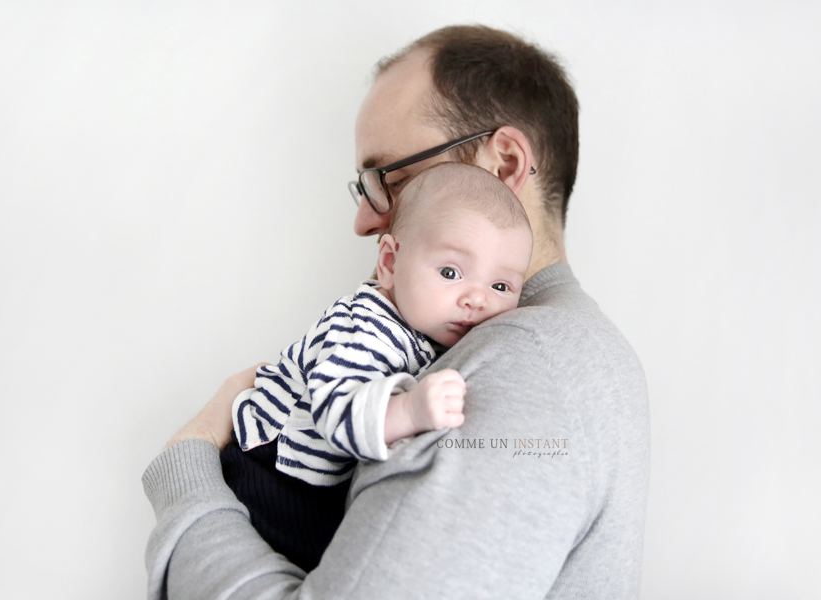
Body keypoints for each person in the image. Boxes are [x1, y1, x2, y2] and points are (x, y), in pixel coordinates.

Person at [143, 25, 650, 599]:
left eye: (391, 177)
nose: (363, 220)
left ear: (505, 165)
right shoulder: (568, 352)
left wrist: (184, 475)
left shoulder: (522, 360)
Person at [219, 162, 533, 571]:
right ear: (388, 263)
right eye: (451, 272)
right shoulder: (365, 328)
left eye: (501, 286)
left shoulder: (426, 329)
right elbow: (335, 413)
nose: (477, 299)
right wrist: (409, 410)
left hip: (315, 474)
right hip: (272, 465)